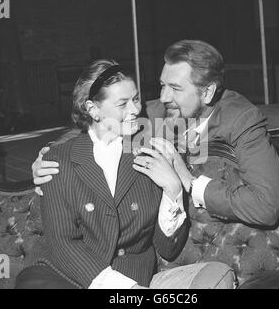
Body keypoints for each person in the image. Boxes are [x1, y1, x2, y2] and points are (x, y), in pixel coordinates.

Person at [16, 59, 235, 289]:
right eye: (123, 104)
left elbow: (168, 249)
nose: (135, 110)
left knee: (217, 276)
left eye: (136, 99)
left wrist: (173, 189)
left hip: (135, 279)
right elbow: (64, 244)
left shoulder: (149, 154)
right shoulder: (58, 161)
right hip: (68, 278)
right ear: (93, 109)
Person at [33, 40, 279, 228]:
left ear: (207, 93)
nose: (163, 97)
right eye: (162, 85)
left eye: (175, 88)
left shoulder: (241, 121)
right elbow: (95, 127)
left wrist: (191, 182)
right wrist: (49, 158)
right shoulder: (158, 112)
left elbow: (266, 207)